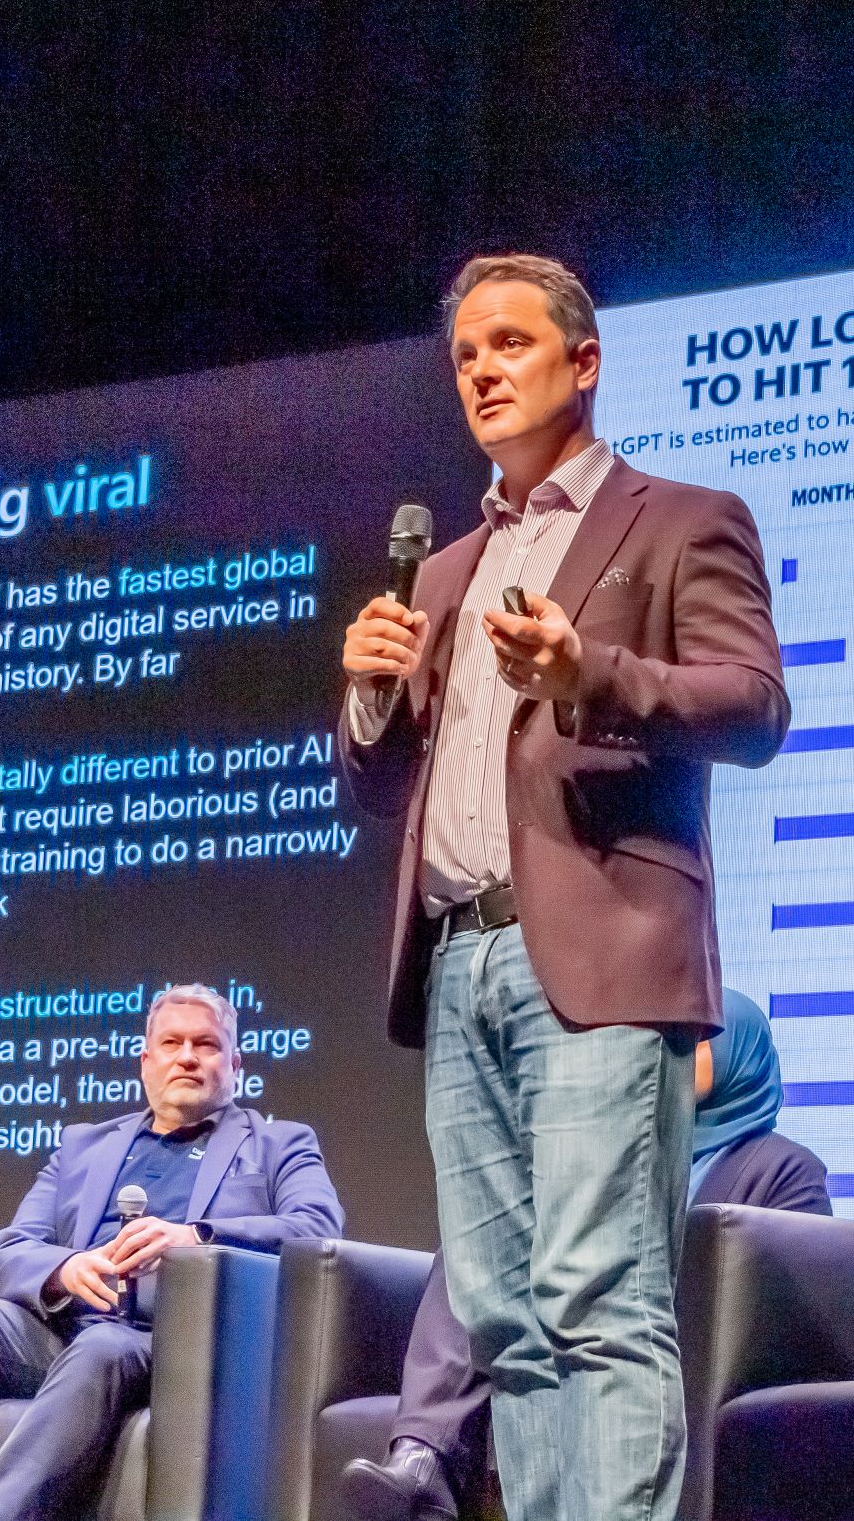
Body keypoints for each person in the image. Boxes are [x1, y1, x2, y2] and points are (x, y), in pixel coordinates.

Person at [338, 253, 788, 1521]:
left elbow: (752, 705)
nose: (480, 369)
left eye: (508, 345)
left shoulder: (682, 518)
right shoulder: (442, 572)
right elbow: (389, 790)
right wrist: (370, 697)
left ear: (581, 362)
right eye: (465, 354)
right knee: (503, 1313)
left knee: (598, 1290)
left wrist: (589, 666)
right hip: (459, 955)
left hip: (598, 953)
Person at [342, 990, 829, 1521]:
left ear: (742, 1059)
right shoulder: (621, 1149)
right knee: (477, 1240)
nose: (671, 1055)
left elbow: (784, 1303)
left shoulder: (784, 1168)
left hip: (665, 1343)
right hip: (564, 1320)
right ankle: (422, 1460)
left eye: (695, 1043)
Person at [0, 984, 344, 1521]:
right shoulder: (83, 1146)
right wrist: (63, 1269)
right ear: (146, 1061)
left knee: (103, 1349)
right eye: (171, 1043)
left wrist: (196, 1237)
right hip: (60, 1328)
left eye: (206, 1045)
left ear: (234, 1063)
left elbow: (317, 1227)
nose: (187, 1056)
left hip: (167, 1339)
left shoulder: (277, 1143)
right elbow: (11, 1245)